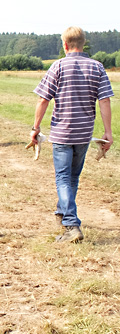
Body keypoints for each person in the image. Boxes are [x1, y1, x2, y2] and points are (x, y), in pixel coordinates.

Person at [30, 26, 113, 243]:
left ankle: (71, 224)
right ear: (83, 44)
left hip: (62, 133)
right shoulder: (97, 67)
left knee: (63, 178)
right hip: (83, 134)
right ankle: (61, 211)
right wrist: (108, 132)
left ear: (65, 45)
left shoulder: (57, 66)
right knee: (72, 177)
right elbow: (104, 100)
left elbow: (43, 99)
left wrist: (35, 127)